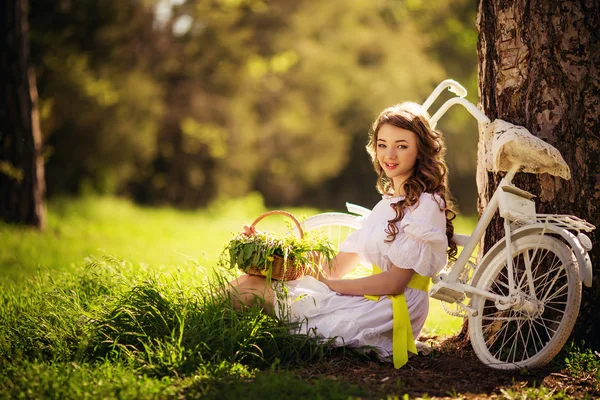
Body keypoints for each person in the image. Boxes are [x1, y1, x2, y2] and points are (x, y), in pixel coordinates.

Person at [228, 101, 457, 368]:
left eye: (401, 145)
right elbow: (333, 268)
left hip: (391, 308)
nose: (389, 155)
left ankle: (201, 335)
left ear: (421, 151)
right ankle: (197, 320)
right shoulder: (387, 204)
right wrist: (267, 250)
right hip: (374, 297)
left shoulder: (426, 204)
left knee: (254, 293)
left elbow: (395, 282)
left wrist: (332, 287)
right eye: (382, 145)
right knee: (250, 281)